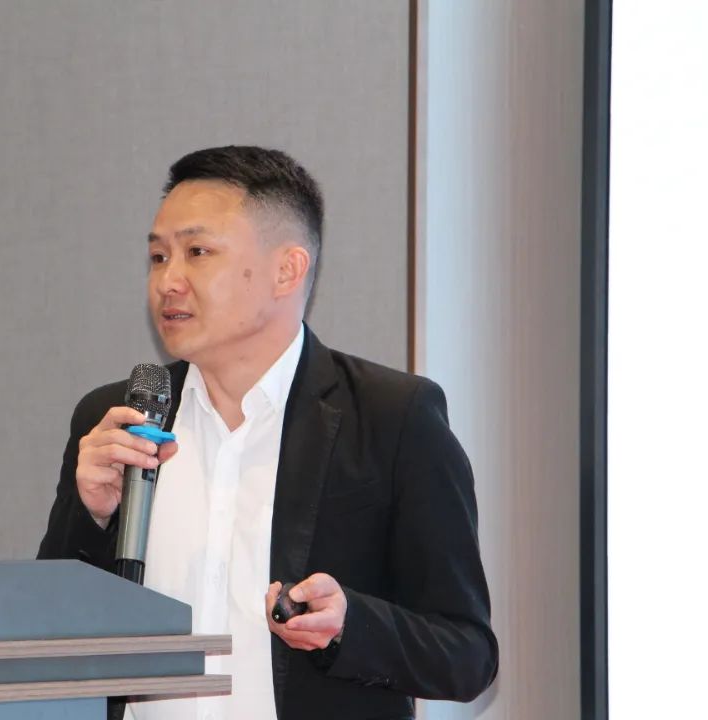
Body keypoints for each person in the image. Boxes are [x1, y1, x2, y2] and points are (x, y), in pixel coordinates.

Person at [38, 146, 498, 720]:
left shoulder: (391, 418)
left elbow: (467, 654)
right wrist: (91, 517)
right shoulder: (115, 419)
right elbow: (44, 636)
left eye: (197, 252)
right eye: (158, 257)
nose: (168, 281)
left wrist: (350, 625)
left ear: (287, 270)